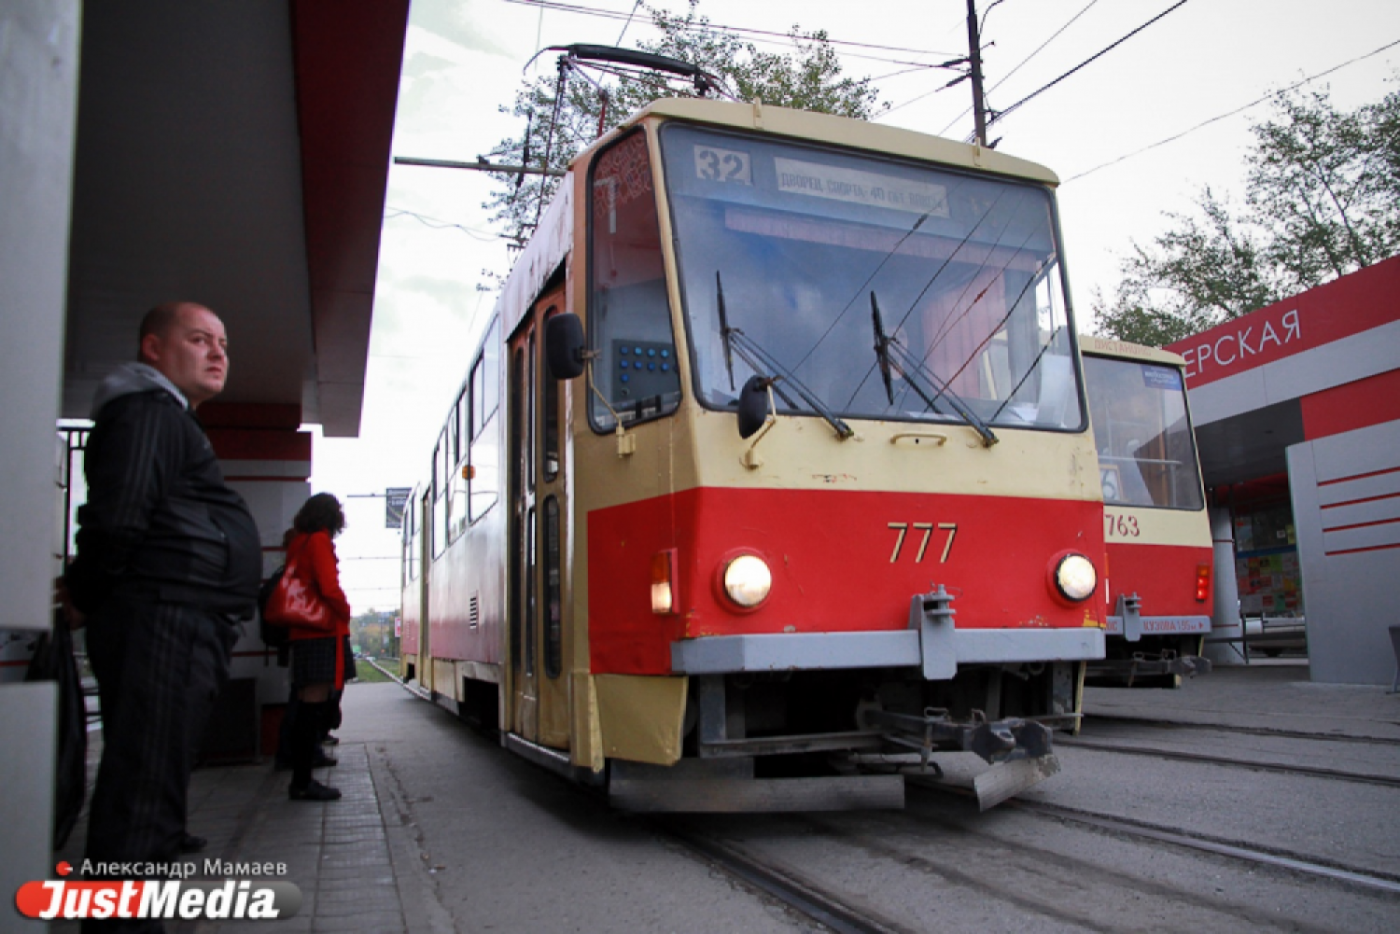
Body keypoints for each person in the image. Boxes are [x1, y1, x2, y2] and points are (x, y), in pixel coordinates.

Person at [62, 302, 261, 919]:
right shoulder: (146, 411)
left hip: (173, 621)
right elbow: (119, 518)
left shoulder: (165, 417)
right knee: (142, 801)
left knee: (150, 794)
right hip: (164, 621)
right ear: (153, 348)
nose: (218, 353)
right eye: (199, 339)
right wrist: (83, 594)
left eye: (223, 343)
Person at [282, 493, 353, 801]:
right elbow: (328, 586)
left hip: (302, 631)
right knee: (313, 704)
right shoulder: (318, 542)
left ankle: (300, 775)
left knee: (303, 703)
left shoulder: (298, 542)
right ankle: (302, 781)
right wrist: (345, 609)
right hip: (320, 631)